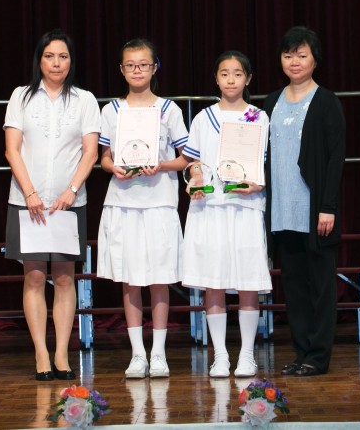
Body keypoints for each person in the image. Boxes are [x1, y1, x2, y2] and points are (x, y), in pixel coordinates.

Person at [3, 29, 100, 381]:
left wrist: (72, 190)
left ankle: (61, 353)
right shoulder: (21, 96)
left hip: (68, 203)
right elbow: (12, 150)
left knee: (63, 277)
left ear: (71, 61)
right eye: (49, 56)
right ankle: (41, 354)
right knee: (33, 276)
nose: (56, 63)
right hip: (26, 201)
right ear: (39, 60)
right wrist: (30, 193)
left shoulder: (85, 100)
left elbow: (90, 153)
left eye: (63, 56)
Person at [97, 38, 189, 379]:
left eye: (143, 64)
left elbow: (185, 157)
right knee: (130, 279)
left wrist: (161, 165)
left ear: (155, 68)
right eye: (131, 65)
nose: (137, 70)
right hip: (123, 203)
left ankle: (159, 353)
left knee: (159, 278)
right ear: (122, 70)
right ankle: (137, 354)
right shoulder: (111, 110)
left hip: (159, 202)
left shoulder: (169, 110)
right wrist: (113, 168)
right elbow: (104, 157)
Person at [181, 51, 272, 378]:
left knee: (248, 282)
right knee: (213, 282)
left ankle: (247, 354)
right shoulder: (203, 118)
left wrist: (256, 183)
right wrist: (196, 177)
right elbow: (193, 162)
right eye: (224, 73)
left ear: (248, 79)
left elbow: (264, 162)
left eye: (237, 73)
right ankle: (220, 355)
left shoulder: (258, 117)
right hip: (211, 207)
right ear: (216, 79)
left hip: (246, 207)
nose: (231, 79)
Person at [264, 26, 346, 377]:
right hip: (281, 211)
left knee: (321, 288)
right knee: (294, 287)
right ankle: (301, 353)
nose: (294, 61)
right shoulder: (270, 102)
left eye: (301, 55)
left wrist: (328, 206)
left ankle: (318, 356)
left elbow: (336, 158)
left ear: (315, 59)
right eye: (288, 55)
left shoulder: (326, 102)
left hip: (314, 211)